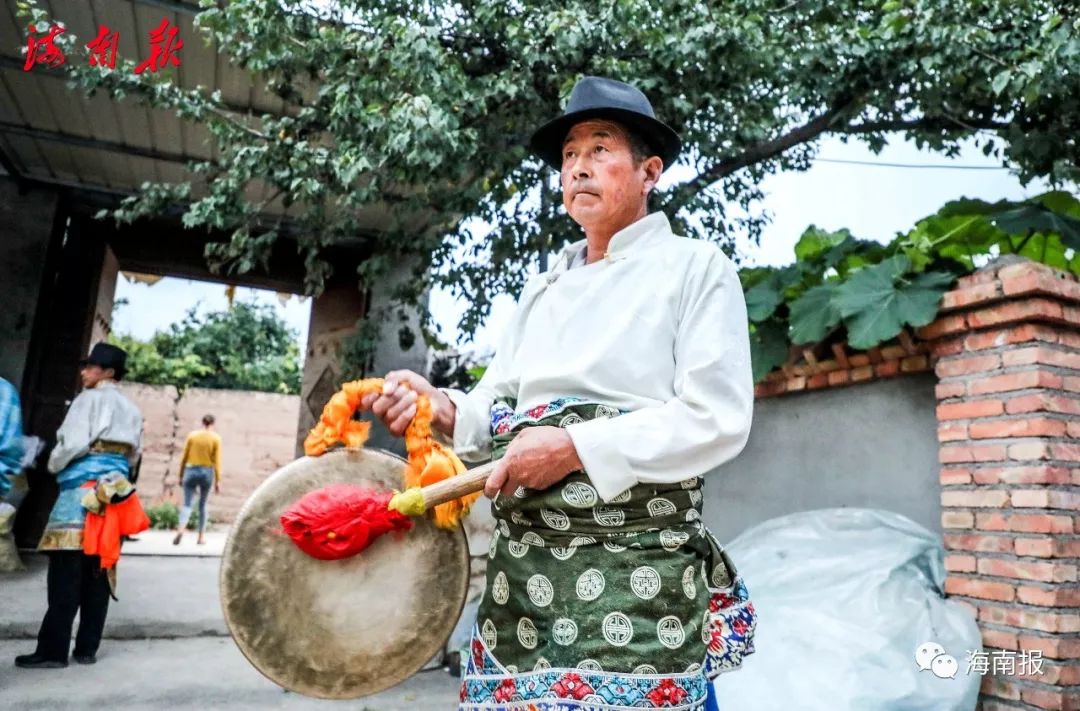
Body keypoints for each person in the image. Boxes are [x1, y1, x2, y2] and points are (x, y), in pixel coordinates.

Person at [365, 77, 757, 711]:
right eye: (570, 155)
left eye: (600, 149)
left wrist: (574, 446)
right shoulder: (543, 286)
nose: (579, 167)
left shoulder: (695, 267)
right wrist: (437, 405)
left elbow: (717, 418)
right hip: (524, 588)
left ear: (649, 170)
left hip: (639, 582)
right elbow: (495, 402)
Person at [16, 342, 143, 668]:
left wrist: (55, 465)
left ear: (108, 373)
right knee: (98, 572)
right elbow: (133, 456)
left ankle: (53, 651)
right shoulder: (132, 410)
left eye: (90, 367)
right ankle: (87, 649)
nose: (84, 372)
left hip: (80, 497)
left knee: (65, 573)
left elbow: (71, 443)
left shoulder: (89, 399)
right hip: (114, 496)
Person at [173, 414, 222, 546]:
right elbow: (216, 461)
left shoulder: (192, 436)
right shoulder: (216, 438)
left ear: (202, 422)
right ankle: (200, 537)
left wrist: (180, 475)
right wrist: (218, 480)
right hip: (206, 472)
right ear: (213, 424)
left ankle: (181, 529)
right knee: (203, 505)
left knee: (187, 504)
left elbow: (184, 457)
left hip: (190, 470)